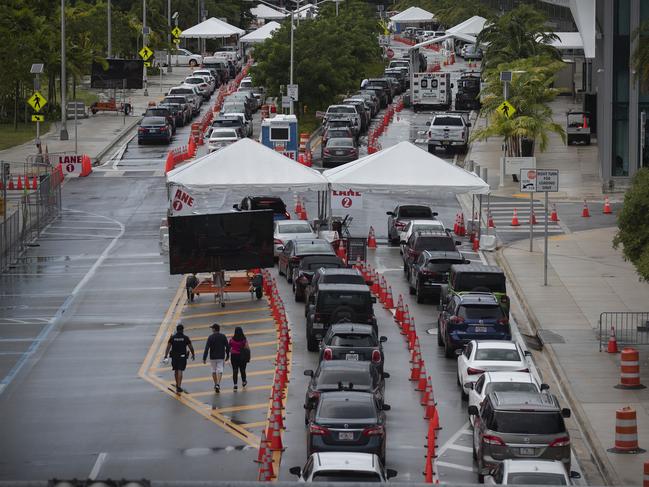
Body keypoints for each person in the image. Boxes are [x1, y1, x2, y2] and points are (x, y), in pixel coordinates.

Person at [163, 323, 195, 393]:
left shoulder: (172, 338)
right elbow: (191, 347)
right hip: (182, 356)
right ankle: (179, 386)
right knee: (180, 370)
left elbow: (168, 347)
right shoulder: (186, 338)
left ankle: (177, 384)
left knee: (176, 370)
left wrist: (166, 355)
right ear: (182, 330)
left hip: (174, 357)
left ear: (177, 330)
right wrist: (193, 354)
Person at [202, 323, 230, 393]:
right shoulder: (223, 336)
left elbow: (207, 348)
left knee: (213, 370)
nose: (211, 329)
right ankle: (218, 384)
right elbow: (227, 346)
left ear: (214, 329)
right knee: (220, 370)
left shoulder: (210, 337)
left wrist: (204, 358)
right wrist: (227, 355)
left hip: (213, 357)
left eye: (212, 328)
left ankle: (215, 384)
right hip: (221, 356)